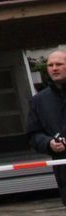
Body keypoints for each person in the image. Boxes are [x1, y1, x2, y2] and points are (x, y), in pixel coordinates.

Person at [26, 49, 66, 206]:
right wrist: (49, 143)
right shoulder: (39, 100)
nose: (54, 68)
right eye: (50, 65)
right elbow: (33, 135)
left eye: (59, 64)